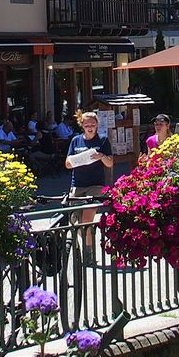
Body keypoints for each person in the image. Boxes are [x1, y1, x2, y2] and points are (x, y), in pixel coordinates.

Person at [63, 110, 114, 259]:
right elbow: (67, 164)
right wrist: (77, 160)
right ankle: (85, 242)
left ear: (97, 125)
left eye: (92, 124)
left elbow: (110, 163)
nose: (90, 127)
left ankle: (88, 253)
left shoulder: (103, 140)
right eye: (87, 125)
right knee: (74, 221)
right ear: (82, 126)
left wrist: (101, 156)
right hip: (78, 184)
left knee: (86, 219)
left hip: (96, 185)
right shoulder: (76, 141)